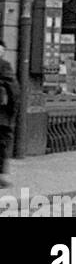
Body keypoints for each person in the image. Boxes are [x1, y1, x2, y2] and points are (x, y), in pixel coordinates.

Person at [0, 39, 19, 188]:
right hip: (1, 117)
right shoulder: (4, 66)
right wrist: (13, 111)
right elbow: (13, 91)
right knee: (2, 144)